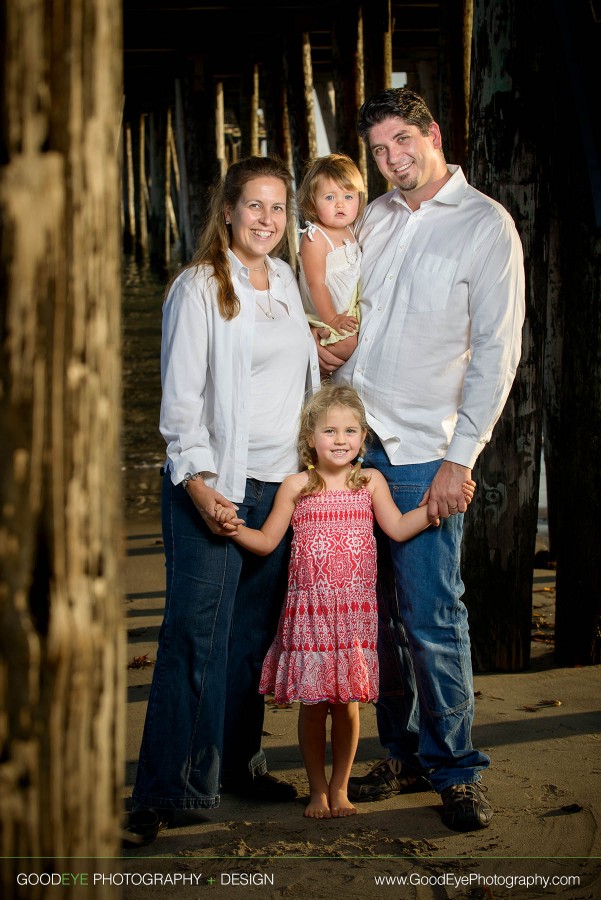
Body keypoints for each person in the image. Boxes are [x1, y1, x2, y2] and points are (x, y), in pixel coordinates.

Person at [317, 88, 525, 832]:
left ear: (432, 134)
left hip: (421, 453)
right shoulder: (372, 218)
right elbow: (353, 325)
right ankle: (400, 750)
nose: (391, 159)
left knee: (432, 615)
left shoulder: (484, 226)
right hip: (352, 445)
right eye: (377, 150)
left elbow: (497, 355)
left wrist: (459, 459)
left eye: (403, 141)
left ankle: (455, 768)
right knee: (375, 617)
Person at [125, 156, 320, 847]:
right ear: (229, 210)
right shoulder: (198, 286)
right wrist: (202, 489)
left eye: (277, 208)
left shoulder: (288, 283)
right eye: (254, 206)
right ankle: (163, 788)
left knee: (247, 646)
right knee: (193, 640)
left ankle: (236, 767)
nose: (266, 219)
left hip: (279, 487)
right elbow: (179, 408)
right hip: (216, 486)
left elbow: (300, 381)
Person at [215, 383, 476, 820]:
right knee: (315, 708)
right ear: (309, 438)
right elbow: (264, 541)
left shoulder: (368, 481)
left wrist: (438, 510)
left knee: (348, 707)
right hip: (311, 617)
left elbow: (396, 527)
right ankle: (317, 791)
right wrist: (229, 525)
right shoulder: (296, 486)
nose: (341, 440)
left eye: (351, 431)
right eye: (330, 431)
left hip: (353, 617)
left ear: (363, 437)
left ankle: (341, 788)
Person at [297, 154, 365, 363]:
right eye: (329, 198)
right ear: (312, 202)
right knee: (348, 345)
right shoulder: (315, 237)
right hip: (325, 313)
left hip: (349, 306)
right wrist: (332, 319)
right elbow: (315, 283)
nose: (340, 204)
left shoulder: (350, 229)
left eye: (348, 197)